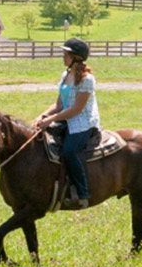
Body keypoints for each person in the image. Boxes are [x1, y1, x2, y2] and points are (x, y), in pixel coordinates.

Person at [35, 38, 100, 206]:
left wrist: (51, 119)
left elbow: (76, 109)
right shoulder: (65, 75)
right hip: (66, 118)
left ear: (76, 57)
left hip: (83, 122)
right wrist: (43, 116)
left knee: (69, 151)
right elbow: (58, 105)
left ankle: (82, 192)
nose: (63, 57)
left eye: (67, 54)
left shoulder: (87, 80)